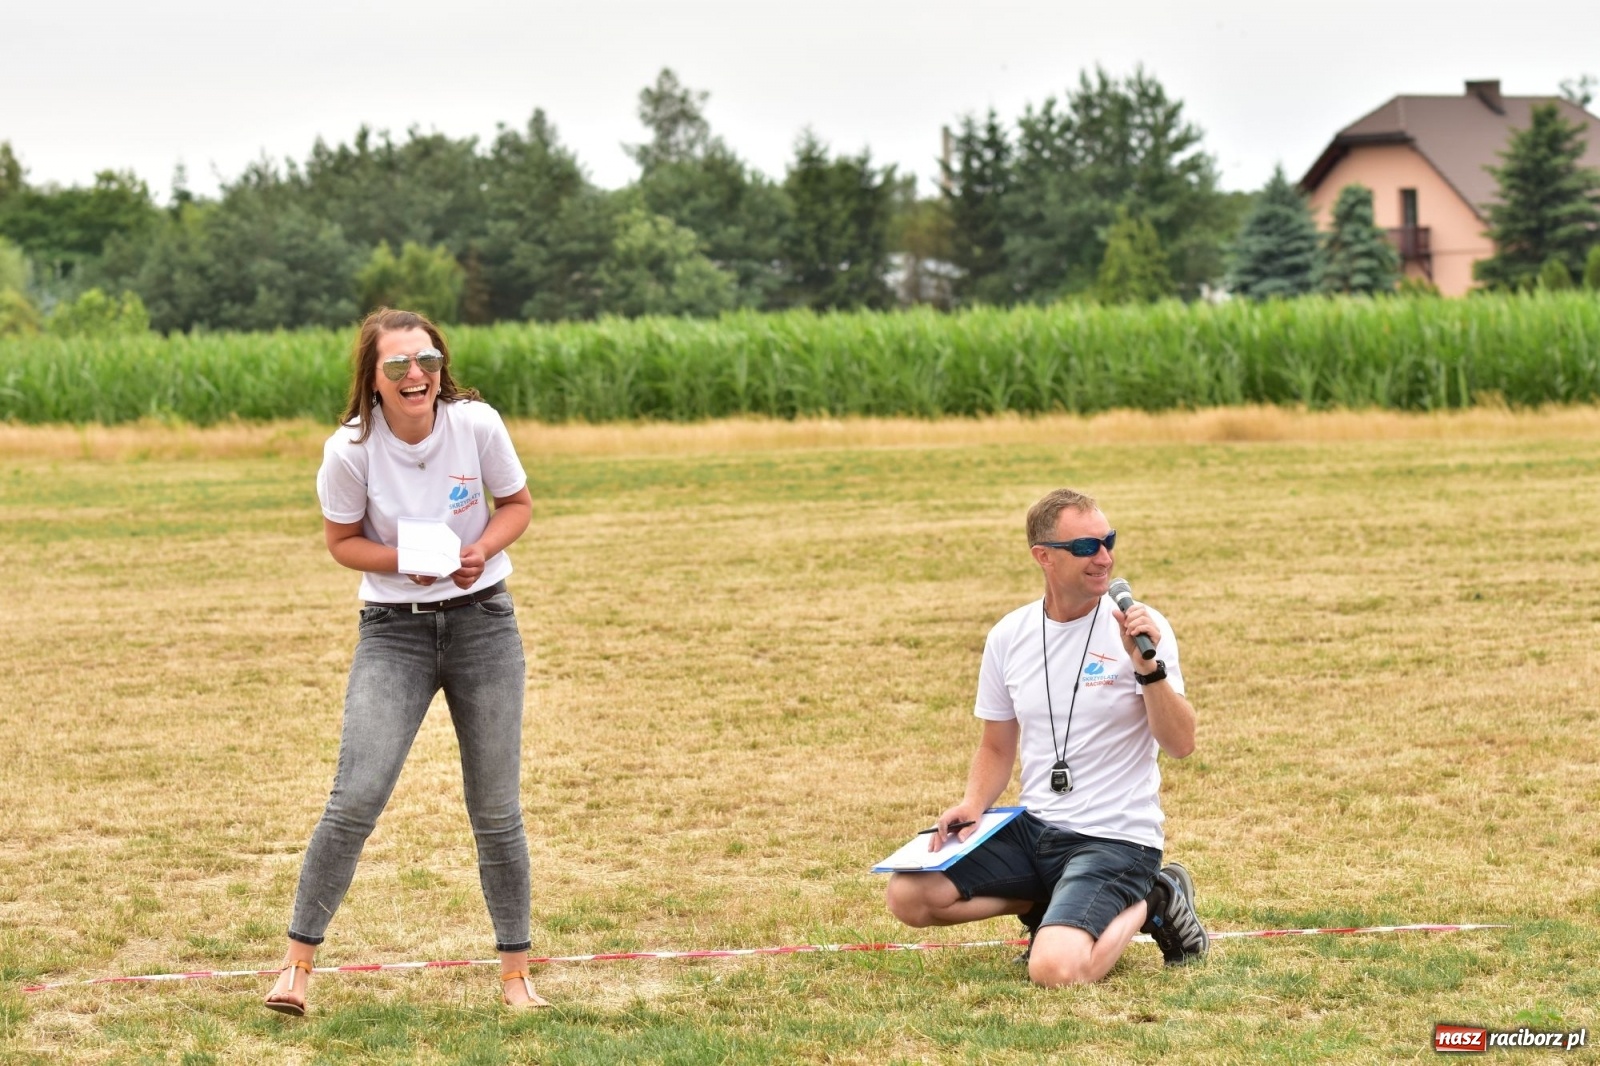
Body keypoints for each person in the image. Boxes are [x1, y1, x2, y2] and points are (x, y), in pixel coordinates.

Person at [264, 307, 546, 1014]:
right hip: (393, 629)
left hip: (484, 621)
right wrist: (402, 565)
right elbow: (341, 541)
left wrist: (481, 550)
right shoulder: (349, 450)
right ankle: (295, 968)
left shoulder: (477, 424)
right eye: (398, 366)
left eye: (426, 360)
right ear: (375, 378)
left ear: (440, 365)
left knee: (496, 807)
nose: (415, 375)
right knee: (356, 795)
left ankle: (517, 975)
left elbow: (515, 504)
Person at [885, 488, 1208, 987]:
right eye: (1085, 547)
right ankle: (1058, 905)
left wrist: (1148, 668)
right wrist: (973, 803)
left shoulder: (1143, 628)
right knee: (909, 894)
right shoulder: (1009, 635)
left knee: (1055, 971)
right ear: (1044, 557)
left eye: (1108, 541)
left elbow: (1181, 743)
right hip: (1035, 828)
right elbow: (996, 744)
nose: (1104, 557)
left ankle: (1150, 897)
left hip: (1116, 839)